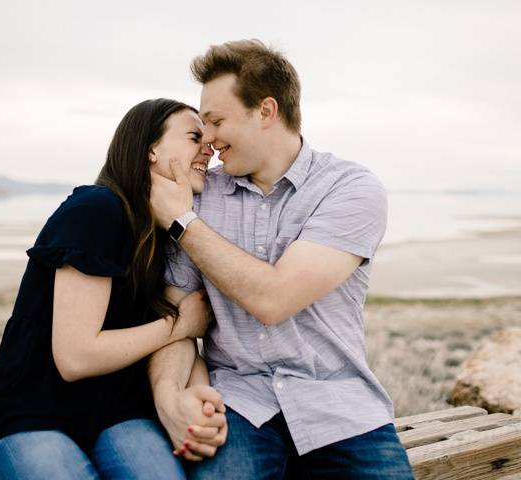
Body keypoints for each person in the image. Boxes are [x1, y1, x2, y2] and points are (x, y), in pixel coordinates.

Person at [149, 40, 415, 478]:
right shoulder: (201, 195)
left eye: (216, 121)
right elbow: (176, 317)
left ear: (266, 111)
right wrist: (169, 396)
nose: (209, 141)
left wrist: (181, 222)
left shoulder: (349, 188)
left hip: (339, 404)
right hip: (238, 403)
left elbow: (275, 299)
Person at [0, 98, 225, 479]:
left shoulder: (175, 232)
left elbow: (179, 338)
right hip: (34, 417)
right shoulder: (96, 210)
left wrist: (193, 396)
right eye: (194, 136)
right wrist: (182, 325)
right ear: (151, 149)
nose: (209, 145)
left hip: (121, 416)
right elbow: (76, 358)